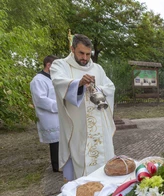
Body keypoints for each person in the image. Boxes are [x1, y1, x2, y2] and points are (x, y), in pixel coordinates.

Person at [50, 34, 116, 181]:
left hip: (100, 124)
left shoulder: (97, 68)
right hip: (78, 126)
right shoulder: (60, 65)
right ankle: (84, 191)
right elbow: (58, 82)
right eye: (81, 53)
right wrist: (78, 84)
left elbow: (110, 88)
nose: (85, 58)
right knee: (82, 160)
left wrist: (96, 88)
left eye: (88, 54)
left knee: (104, 157)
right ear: (72, 49)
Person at [30, 55, 60, 172]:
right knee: (55, 143)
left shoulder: (52, 78)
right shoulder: (38, 80)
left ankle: (62, 163)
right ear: (49, 65)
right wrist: (59, 106)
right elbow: (40, 100)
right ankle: (56, 166)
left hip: (57, 115)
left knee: (61, 141)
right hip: (49, 116)